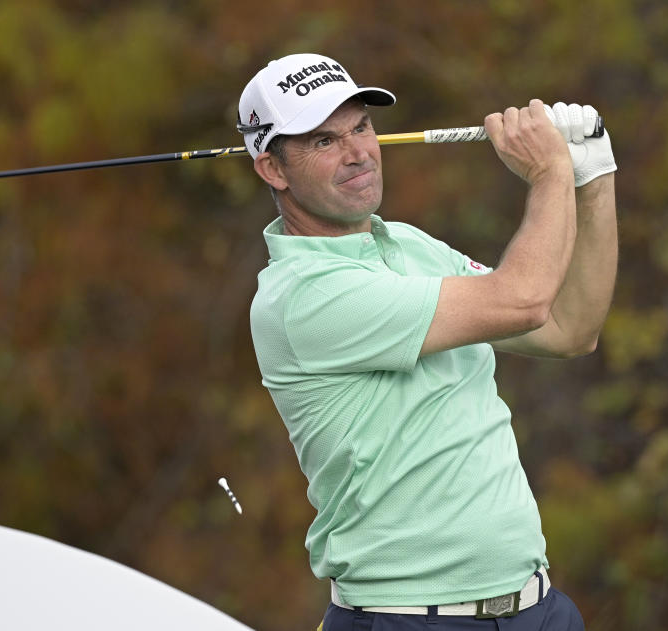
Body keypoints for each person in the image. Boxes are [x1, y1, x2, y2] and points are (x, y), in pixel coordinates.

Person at [238, 53, 616, 631]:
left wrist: (593, 178)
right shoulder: (300, 298)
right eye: (323, 141)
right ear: (273, 169)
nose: (357, 152)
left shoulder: (412, 247)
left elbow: (570, 329)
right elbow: (525, 299)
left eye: (362, 126)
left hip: (536, 609)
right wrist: (549, 174)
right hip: (405, 619)